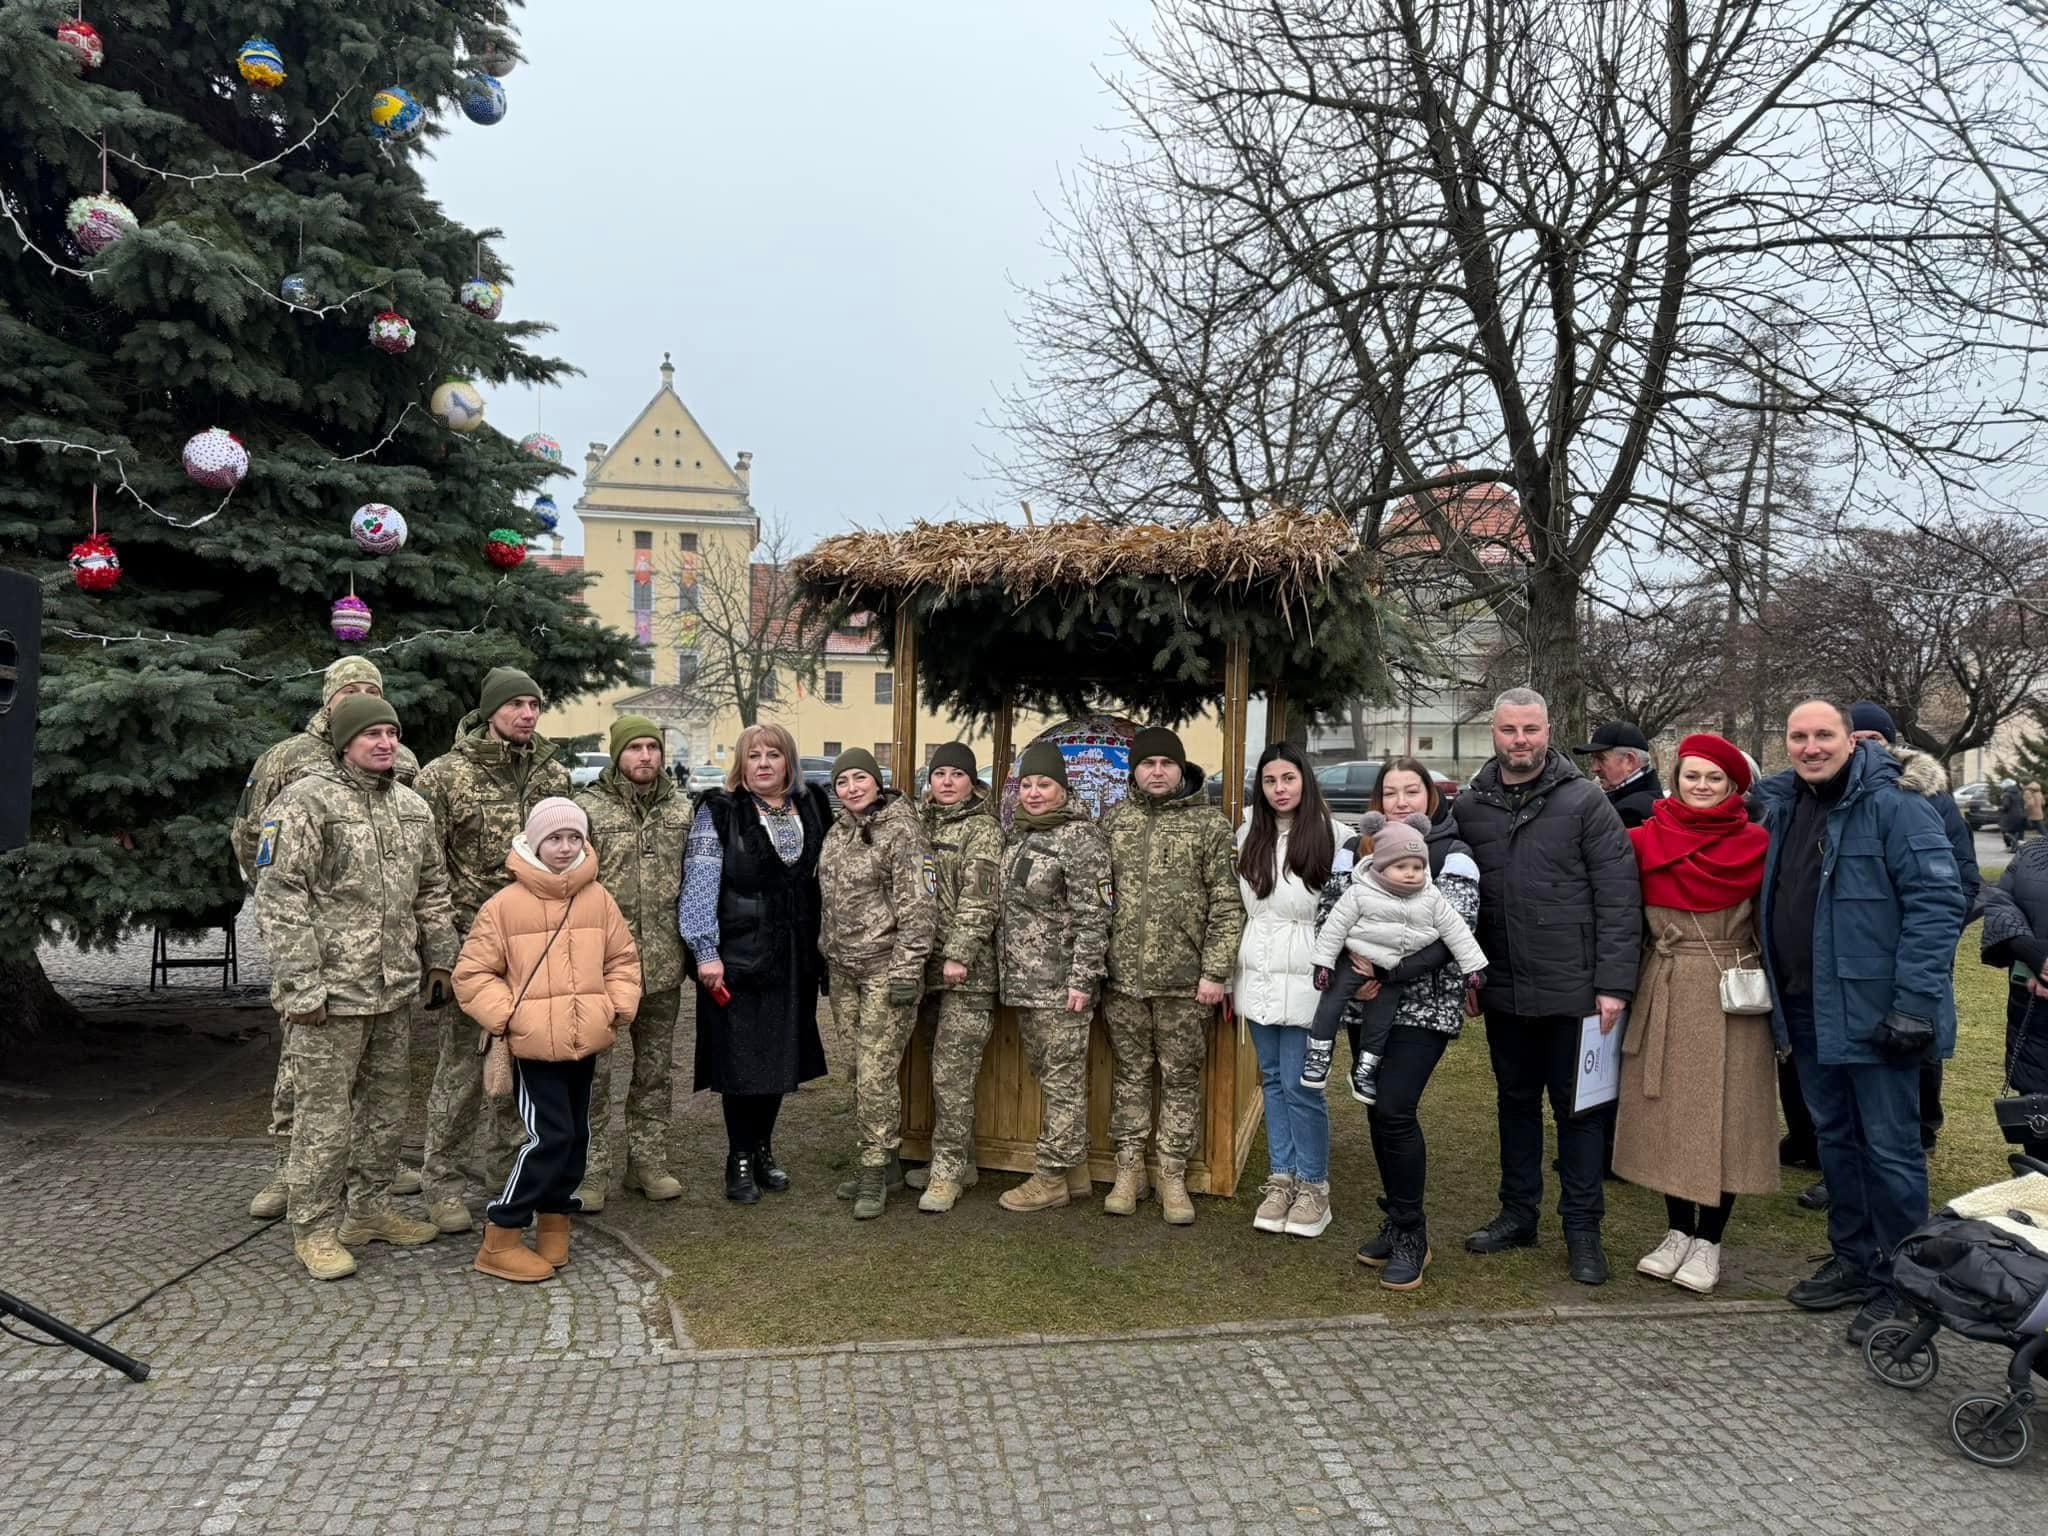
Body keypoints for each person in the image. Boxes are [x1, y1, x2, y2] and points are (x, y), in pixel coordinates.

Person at [1760, 700, 1967, 1347]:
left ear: (1852, 741)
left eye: (1824, 735)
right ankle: (1855, 1262)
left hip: (1878, 1015)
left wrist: (1912, 1004)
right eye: (1799, 735)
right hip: (1807, 1008)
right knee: (1836, 1144)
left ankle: (1907, 1286)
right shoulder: (1786, 805)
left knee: (1892, 1152)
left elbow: (1938, 901)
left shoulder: (1895, 804)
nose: (1811, 745)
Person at [251, 695, 456, 1280]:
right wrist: (302, 985)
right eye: (372, 734)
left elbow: (432, 891)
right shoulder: (304, 804)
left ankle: (369, 1209)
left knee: (387, 1110)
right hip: (328, 997)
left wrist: (440, 961)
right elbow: (280, 896)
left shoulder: (413, 809)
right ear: (345, 742)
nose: (385, 743)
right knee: (323, 1117)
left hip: (392, 991)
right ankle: (314, 1228)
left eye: (392, 732)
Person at [1453, 687, 1641, 1286]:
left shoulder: (1585, 802)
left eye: (1531, 729)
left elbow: (1618, 896)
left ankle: (1583, 1231)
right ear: (1494, 733)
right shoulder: (1471, 806)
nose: (1521, 740)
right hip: (1505, 989)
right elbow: (1456, 900)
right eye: (1510, 730)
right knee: (1514, 1105)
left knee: (1580, 1114)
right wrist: (1468, 975)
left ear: (1548, 729)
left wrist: (1613, 984)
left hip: (1578, 993)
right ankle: (1518, 1214)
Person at [232, 657, 427, 1221]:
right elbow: (256, 845)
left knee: (384, 1095)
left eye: (374, 694)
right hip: (322, 965)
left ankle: (370, 1195)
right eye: (353, 693)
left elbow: (415, 865)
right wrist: (302, 961)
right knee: (308, 1086)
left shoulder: (403, 770)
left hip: (387, 970)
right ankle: (292, 1178)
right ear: (328, 699)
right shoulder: (289, 764)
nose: (384, 739)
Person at [452, 799, 641, 1283]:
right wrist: (510, 1016)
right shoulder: (504, 906)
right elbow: (472, 974)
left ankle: (555, 1219)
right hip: (534, 1047)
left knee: (577, 1135)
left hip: (586, 1041)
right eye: (554, 839)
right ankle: (503, 1233)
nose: (564, 847)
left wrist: (616, 1007)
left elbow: (622, 959)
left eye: (574, 838)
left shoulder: (599, 898)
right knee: (549, 1137)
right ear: (534, 843)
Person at [1614, 735, 1777, 1296]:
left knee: (1725, 1114)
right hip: (1664, 982)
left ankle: (1710, 1240)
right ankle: (1677, 1230)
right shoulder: (1642, 839)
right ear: (1676, 779)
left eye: (1715, 778)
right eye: (1692, 776)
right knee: (1669, 1113)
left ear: (1735, 786)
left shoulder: (1758, 842)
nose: (1701, 786)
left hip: (1732, 992)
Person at [414, 667, 571, 1234]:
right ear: (489, 711)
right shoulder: (444, 777)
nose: (528, 714)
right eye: (516, 705)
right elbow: (425, 870)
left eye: (535, 704)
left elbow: (568, 858)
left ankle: (508, 1177)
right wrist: (441, 951)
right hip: (470, 945)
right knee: (460, 1070)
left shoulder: (553, 774)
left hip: (535, 947)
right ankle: (443, 1184)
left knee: (523, 1070)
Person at [1339, 759, 1485, 1290]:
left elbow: (1454, 936)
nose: (1401, 801)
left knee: (1396, 1108)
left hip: (1424, 1002)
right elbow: (1333, 912)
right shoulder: (1358, 850)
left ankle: (1412, 1236)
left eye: (1412, 792)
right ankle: (1397, 1217)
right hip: (1366, 1000)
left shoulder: (1453, 856)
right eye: (1391, 792)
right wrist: (1356, 968)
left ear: (1430, 798)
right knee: (1377, 1110)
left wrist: (1387, 969)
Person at [679, 722, 831, 1201]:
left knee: (780, 1057)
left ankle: (764, 1149)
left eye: (773, 755)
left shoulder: (813, 805)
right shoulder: (719, 812)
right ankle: (738, 1157)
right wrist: (706, 952)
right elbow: (700, 884)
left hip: (794, 956)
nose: (763, 764)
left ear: (789, 762)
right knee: (740, 1061)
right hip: (738, 958)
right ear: (740, 764)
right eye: (754, 756)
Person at [1100, 726, 1243, 1225]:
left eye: (1166, 763)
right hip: (1122, 982)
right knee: (1131, 1074)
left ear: (1181, 769)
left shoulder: (1209, 826)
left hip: (1186, 984)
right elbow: (1096, 900)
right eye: (1147, 764)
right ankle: (1128, 1169)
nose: (1156, 772)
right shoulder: (1114, 822)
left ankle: (1173, 1173)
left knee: (1180, 1078)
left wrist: (1215, 970)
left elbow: (1228, 906)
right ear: (1133, 770)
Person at [1845, 701, 1979, 1165]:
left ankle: (1921, 1133)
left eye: (1872, 741)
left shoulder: (1926, 797)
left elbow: (1962, 881)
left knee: (1919, 1041)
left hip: (1913, 949)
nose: (1863, 750)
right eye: (1855, 740)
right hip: (1857, 953)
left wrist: (1926, 940)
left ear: (1890, 742)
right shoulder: (1836, 794)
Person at [1233, 744, 1348, 1243]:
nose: (1280, 789)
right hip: (1257, 967)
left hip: (1309, 972)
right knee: (1274, 1081)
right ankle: (1281, 1179)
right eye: (1270, 781)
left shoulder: (1335, 836)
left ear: (1306, 780)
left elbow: (1349, 911)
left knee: (1304, 1087)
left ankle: (1313, 1188)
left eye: (1289, 778)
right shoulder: (1248, 834)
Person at [574, 715, 689, 1206]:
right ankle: (590, 1171)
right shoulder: (587, 811)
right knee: (594, 1074)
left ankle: (646, 1162)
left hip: (662, 965)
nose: (645, 757)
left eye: (652, 747)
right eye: (635, 748)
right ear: (617, 754)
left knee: (656, 1072)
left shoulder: (682, 809)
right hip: (600, 968)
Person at [818, 748, 938, 1219]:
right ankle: (884, 1161)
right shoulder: (839, 830)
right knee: (855, 1069)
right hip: (845, 971)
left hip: (887, 971)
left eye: (860, 778)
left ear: (877, 780)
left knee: (875, 1072)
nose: (851, 787)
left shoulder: (903, 830)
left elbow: (919, 909)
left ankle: (872, 1168)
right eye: (842, 781)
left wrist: (908, 972)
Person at [995, 742, 1114, 1213]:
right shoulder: (1021, 833)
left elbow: (1095, 915)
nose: (1034, 792)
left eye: (1044, 784)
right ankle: (1076, 1172)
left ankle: (1049, 1178)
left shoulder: (1080, 839)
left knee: (1062, 1080)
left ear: (1064, 789)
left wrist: (1083, 981)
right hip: (1027, 983)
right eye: (1026, 784)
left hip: (1061, 985)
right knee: (1052, 1074)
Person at [1303, 811, 1487, 1111]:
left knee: (1380, 1018)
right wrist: (1324, 965)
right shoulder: (1360, 891)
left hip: (1391, 967)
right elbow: (1334, 927)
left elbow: (1457, 932)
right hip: (1356, 957)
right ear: (1381, 866)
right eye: (1401, 866)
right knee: (1332, 1000)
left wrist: (1473, 968)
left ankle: (1366, 1067)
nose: (1411, 873)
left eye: (1417, 866)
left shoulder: (1430, 896)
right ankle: (1319, 1053)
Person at [908, 742, 1004, 1213]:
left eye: (956, 775)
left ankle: (946, 1173)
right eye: (939, 773)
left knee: (952, 1075)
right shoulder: (918, 823)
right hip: (924, 968)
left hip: (966, 973)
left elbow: (981, 898)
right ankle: (958, 1159)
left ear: (972, 782)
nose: (946, 782)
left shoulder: (982, 830)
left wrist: (960, 952)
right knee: (936, 1065)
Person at [1978, 837, 2048, 1167]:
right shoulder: (2034, 853)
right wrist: (2030, 951)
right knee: (2039, 1119)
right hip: (2033, 1015)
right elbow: (1999, 901)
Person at [1573, 721, 1664, 829]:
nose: (1594, 768)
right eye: (1592, 759)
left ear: (1629, 761)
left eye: (1601, 759)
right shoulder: (1646, 799)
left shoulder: (1630, 813)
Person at [2000, 782, 2027, 851]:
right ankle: (2012, 847)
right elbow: (2023, 805)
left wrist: (1998, 808)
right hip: (2020, 816)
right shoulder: (2019, 794)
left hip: (2010, 816)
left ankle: (2014, 845)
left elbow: (2006, 806)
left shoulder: (2007, 795)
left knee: (2005, 831)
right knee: (2014, 832)